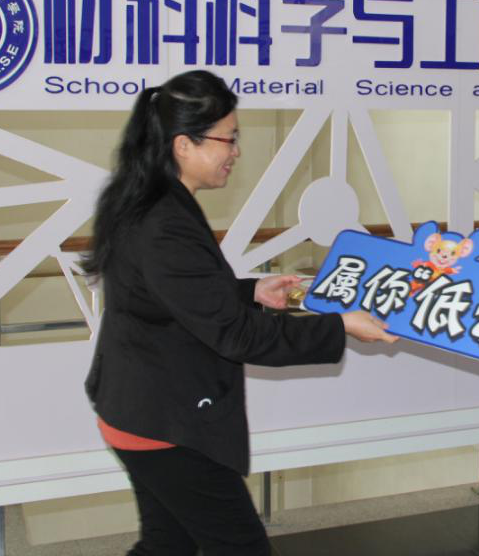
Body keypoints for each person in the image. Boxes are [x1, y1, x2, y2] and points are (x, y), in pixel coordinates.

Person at [82, 70, 396, 556]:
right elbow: (236, 335)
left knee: (168, 544)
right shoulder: (164, 220)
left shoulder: (148, 197)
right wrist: (339, 326)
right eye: (227, 139)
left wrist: (250, 291)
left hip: (138, 408)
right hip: (166, 424)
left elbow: (175, 294)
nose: (236, 151)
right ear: (184, 145)